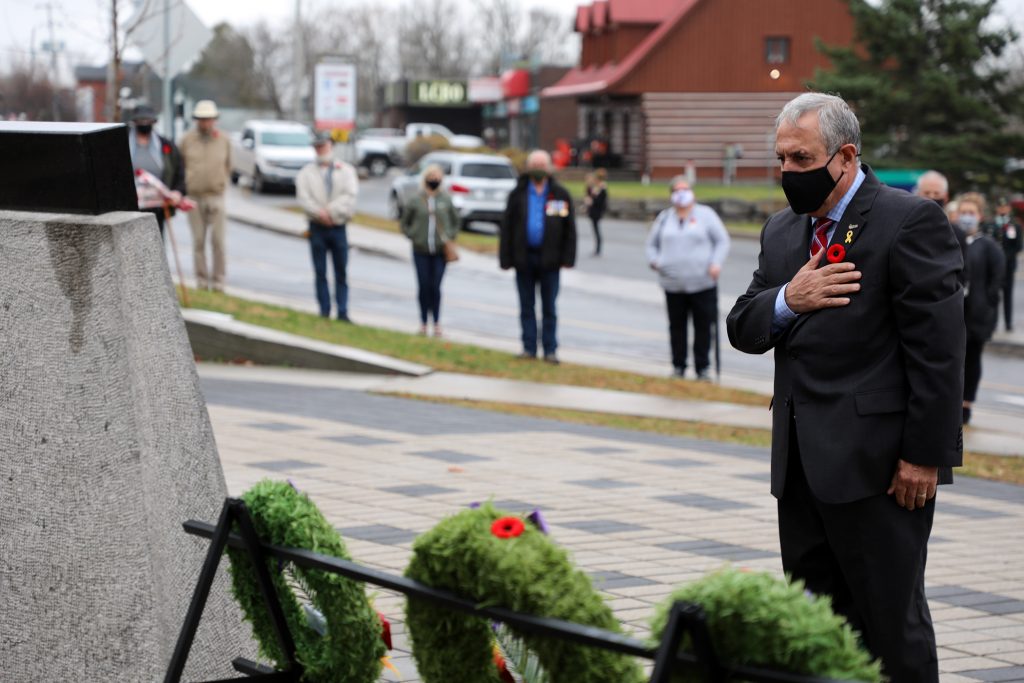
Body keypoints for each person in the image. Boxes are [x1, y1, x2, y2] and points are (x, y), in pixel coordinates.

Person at [727, 93, 964, 683]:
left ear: (846, 155)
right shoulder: (783, 232)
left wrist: (924, 456)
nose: (788, 173)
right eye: (780, 160)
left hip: (880, 471)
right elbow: (742, 326)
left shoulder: (908, 221)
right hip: (802, 469)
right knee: (815, 624)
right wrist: (788, 299)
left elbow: (937, 354)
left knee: (890, 624)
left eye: (801, 159)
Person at [646, 176, 729, 380]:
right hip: (673, 284)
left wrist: (715, 263)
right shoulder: (665, 218)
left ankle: (702, 367)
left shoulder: (706, 215)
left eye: (685, 189)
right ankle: (678, 365)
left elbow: (722, 241)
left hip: (702, 282)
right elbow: (651, 244)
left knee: (703, 326)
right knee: (677, 326)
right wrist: (656, 261)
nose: (681, 193)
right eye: (677, 190)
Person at [499, 150, 577, 364]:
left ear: (549, 167)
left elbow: (569, 229)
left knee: (549, 307)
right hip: (524, 259)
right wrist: (506, 258)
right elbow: (507, 227)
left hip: (550, 260)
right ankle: (529, 347)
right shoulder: (518, 194)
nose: (539, 169)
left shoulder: (559, 194)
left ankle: (550, 349)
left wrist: (568, 258)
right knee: (527, 306)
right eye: (535, 164)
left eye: (543, 165)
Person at [296, 132, 359, 322]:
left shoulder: (346, 171)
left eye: (323, 146)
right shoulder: (306, 173)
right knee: (320, 271)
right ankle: (324, 309)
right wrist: (320, 214)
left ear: (331, 145)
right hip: (317, 227)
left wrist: (330, 212)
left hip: (338, 226)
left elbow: (350, 196)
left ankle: (342, 310)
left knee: (341, 271)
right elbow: (304, 198)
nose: (320, 150)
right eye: (317, 147)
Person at [957, 193, 1004, 425]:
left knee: (972, 360)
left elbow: (996, 283)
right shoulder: (950, 238)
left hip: (976, 316)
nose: (966, 217)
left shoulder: (989, 246)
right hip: (954, 315)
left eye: (971, 213)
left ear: (980, 216)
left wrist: (988, 313)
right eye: (963, 212)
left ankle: (966, 404)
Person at [400, 163, 459, 336]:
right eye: (431, 175)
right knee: (423, 286)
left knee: (435, 286)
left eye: (437, 176)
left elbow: (455, 221)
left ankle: (437, 322)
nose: (434, 179)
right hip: (421, 250)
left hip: (440, 252)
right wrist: (414, 235)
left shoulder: (445, 199)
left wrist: (449, 236)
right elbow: (405, 222)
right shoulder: (416, 199)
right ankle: (423, 322)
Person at [179, 99, 231, 291]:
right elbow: (181, 165)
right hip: (194, 195)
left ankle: (219, 281)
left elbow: (229, 165)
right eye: (201, 119)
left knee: (218, 241)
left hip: (216, 195)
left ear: (214, 120)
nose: (205, 123)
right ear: (196, 120)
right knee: (198, 241)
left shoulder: (223, 140)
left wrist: (222, 183)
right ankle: (201, 281)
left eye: (208, 119)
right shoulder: (187, 140)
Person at [128, 104, 184, 236]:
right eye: (141, 121)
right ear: (134, 122)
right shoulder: (123, 143)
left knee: (156, 240)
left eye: (147, 121)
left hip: (158, 206)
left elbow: (179, 170)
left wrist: (178, 192)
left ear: (153, 122)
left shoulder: (166, 145)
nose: (144, 124)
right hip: (132, 206)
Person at [915, 170, 969, 288]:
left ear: (945, 197)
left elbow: (962, 271)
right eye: (927, 193)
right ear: (918, 194)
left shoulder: (957, 233)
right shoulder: (905, 228)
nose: (932, 197)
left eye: (936, 193)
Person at [993, 198, 1021, 331]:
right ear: (997, 208)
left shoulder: (1014, 225)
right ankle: (992, 323)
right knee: (993, 294)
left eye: (1005, 207)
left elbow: (1018, 246)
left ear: (1009, 208)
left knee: (1008, 295)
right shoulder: (992, 224)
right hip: (993, 267)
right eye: (1000, 207)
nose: (1003, 209)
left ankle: (1008, 323)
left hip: (1008, 266)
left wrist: (1005, 257)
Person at [583, 168, 608, 256]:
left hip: (597, 212)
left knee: (597, 230)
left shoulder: (602, 188)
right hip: (594, 211)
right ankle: (597, 248)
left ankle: (598, 249)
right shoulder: (595, 188)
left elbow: (600, 201)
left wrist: (592, 200)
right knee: (596, 230)